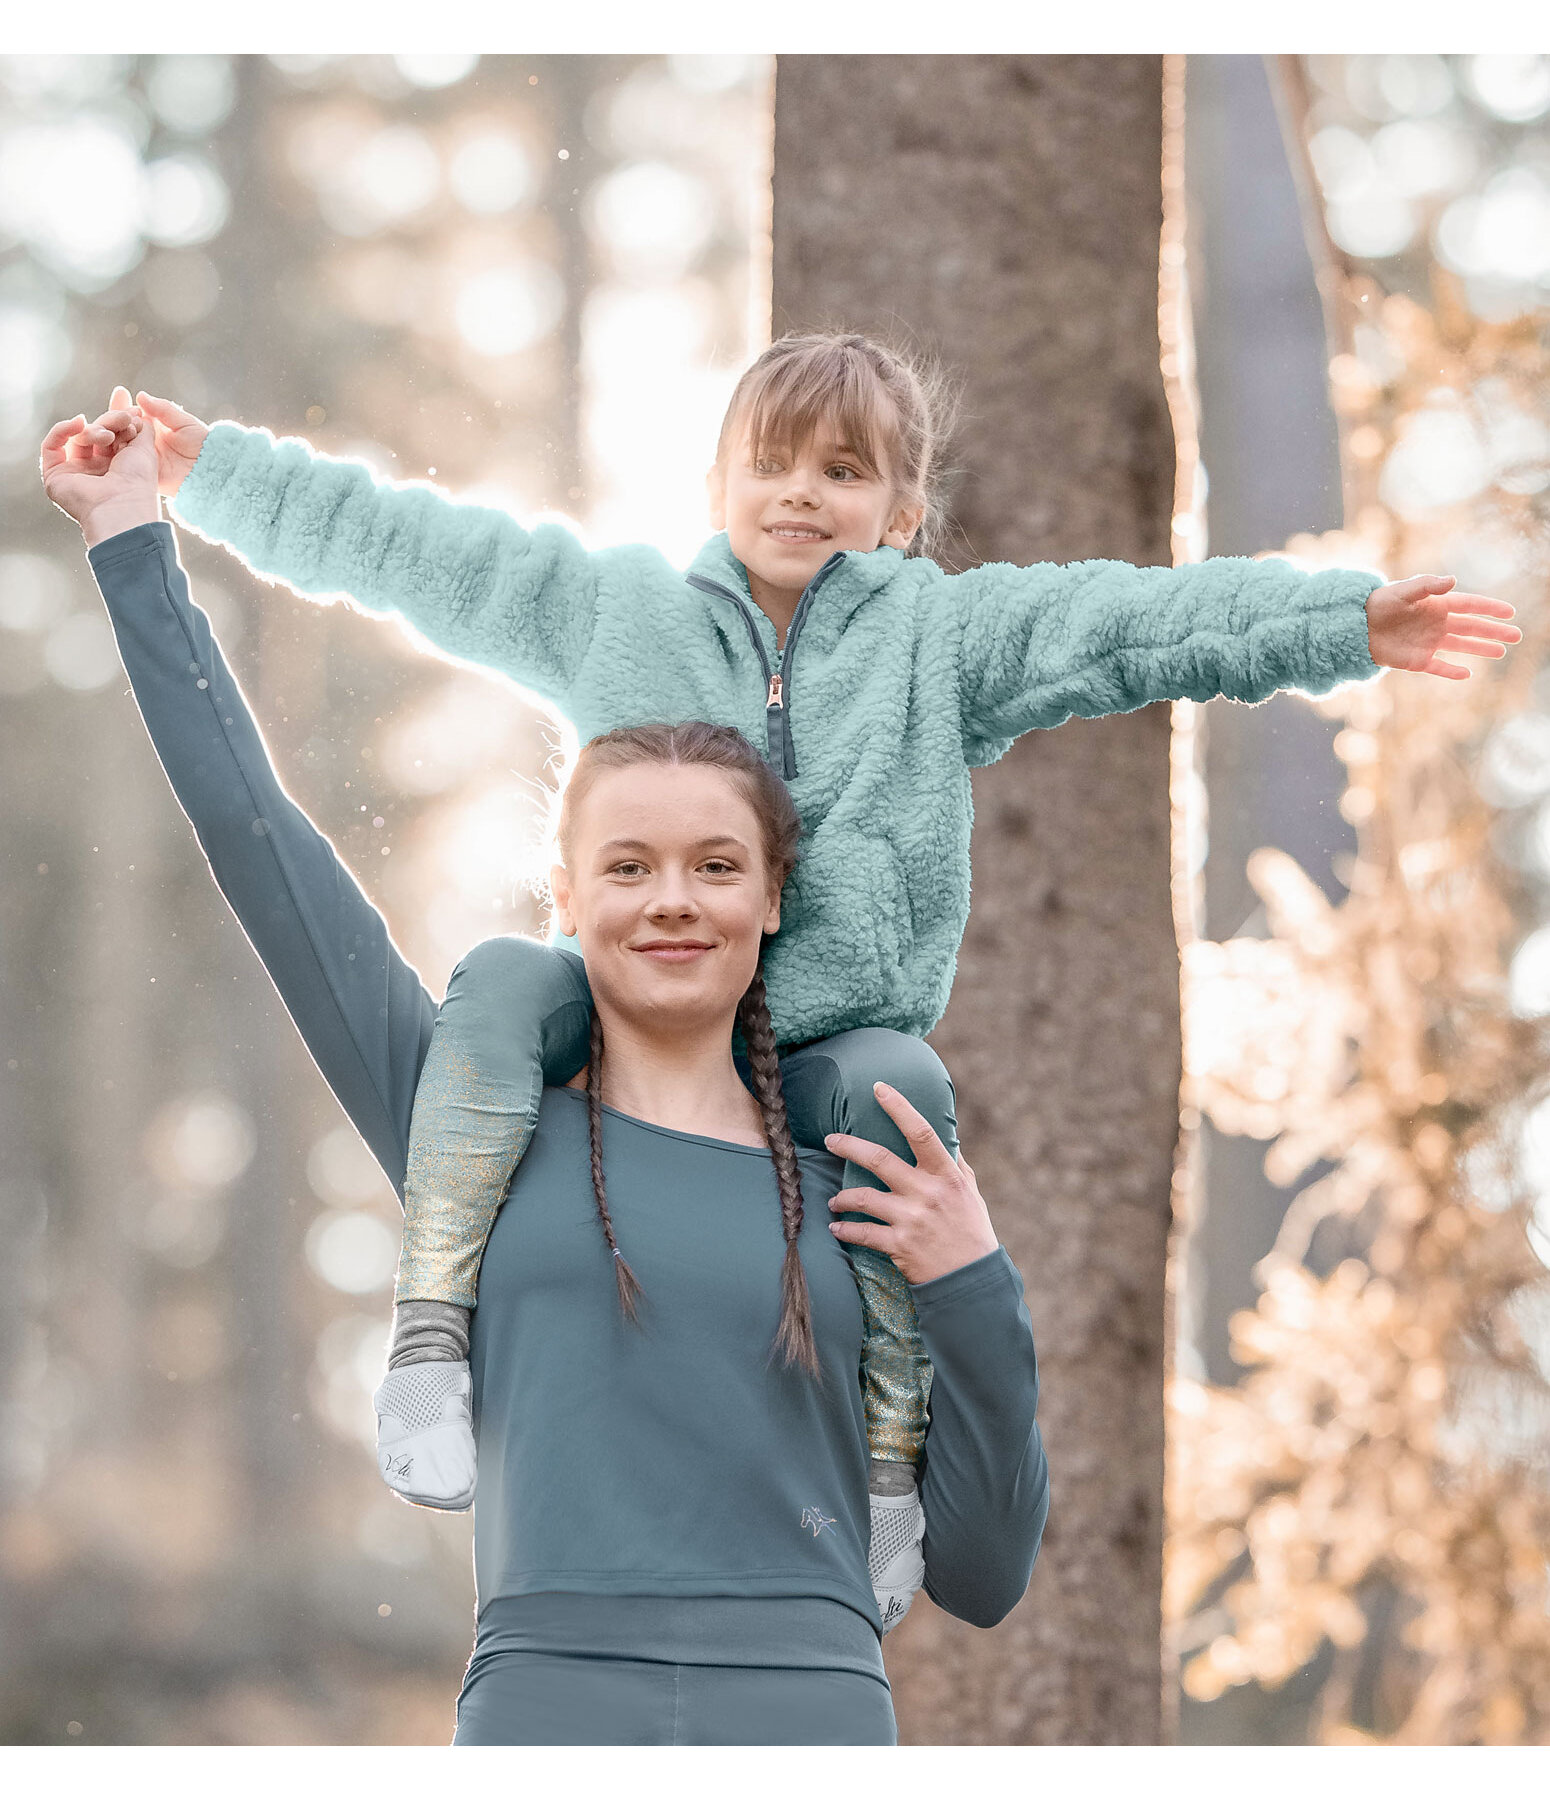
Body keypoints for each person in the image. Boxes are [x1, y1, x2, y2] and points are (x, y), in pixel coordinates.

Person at [71, 339, 1516, 1568]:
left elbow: (1134, 623)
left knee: (899, 1092)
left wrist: (1337, 622)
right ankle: (434, 1336)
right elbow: (416, 550)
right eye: (773, 463)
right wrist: (217, 476)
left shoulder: (943, 638)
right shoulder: (614, 611)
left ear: (898, 511)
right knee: (502, 986)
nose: (801, 495)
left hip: (826, 1041)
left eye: (840, 473)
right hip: (633, 1012)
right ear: (716, 486)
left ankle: (889, 1463)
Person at [42, 410, 1049, 1745]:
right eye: (627, 868)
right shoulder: (471, 1123)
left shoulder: (864, 1166)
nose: (671, 904)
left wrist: (972, 1282)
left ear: (770, 900)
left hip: (808, 1716)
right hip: (546, 1710)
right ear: (566, 897)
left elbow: (981, 1572)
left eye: (714, 866)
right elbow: (254, 835)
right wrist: (129, 543)